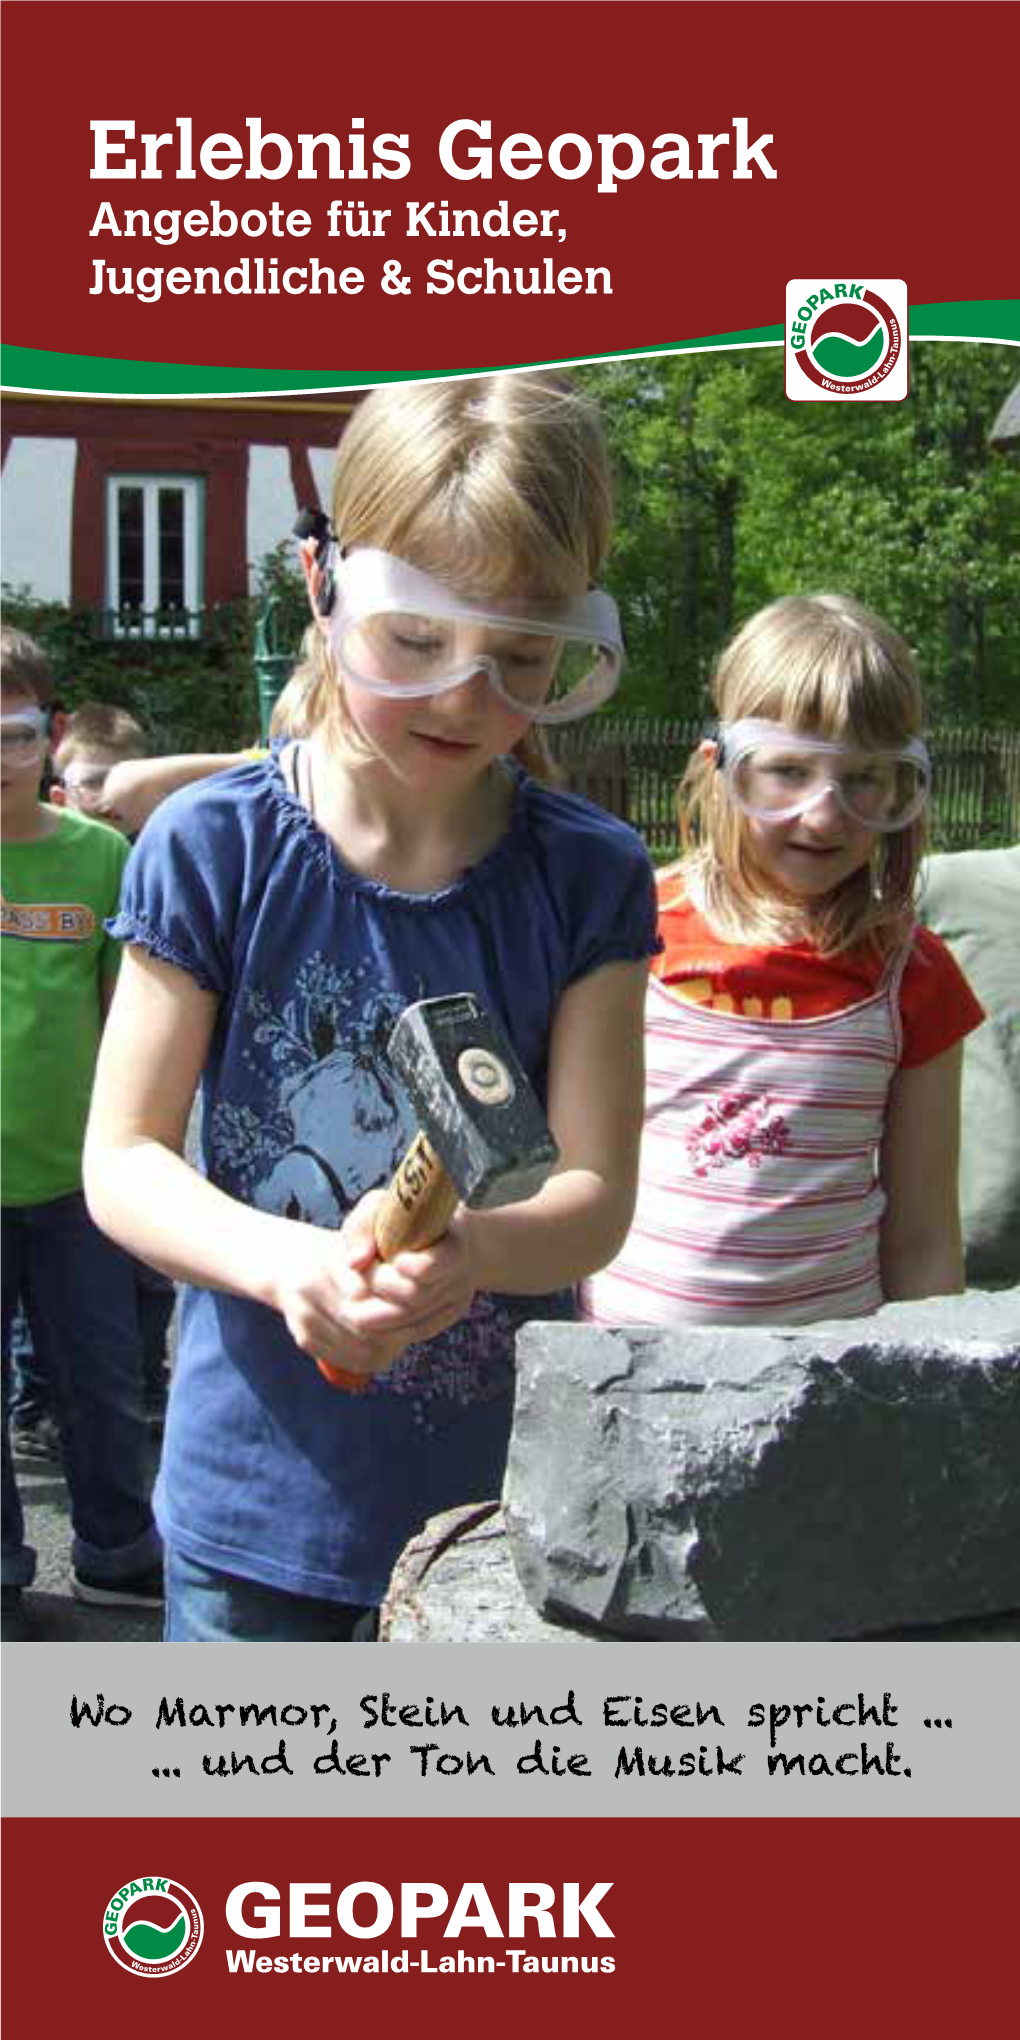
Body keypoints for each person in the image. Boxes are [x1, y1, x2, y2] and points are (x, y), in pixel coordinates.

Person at [83, 373, 659, 1644]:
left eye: (522, 656)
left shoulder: (590, 876)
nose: (467, 695)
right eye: (419, 642)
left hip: (497, 1516)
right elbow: (122, 1159)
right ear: (324, 586)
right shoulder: (209, 848)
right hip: (253, 1512)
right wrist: (294, 1266)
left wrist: (475, 1259)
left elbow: (596, 1199)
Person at [582, 593, 985, 1330]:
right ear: (721, 771)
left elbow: (925, 1240)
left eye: (864, 778)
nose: (825, 814)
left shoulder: (913, 978)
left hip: (825, 1395)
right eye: (789, 771)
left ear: (903, 787)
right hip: (621, 1374)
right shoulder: (624, 934)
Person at [0, 627, 161, 1641]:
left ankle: (115, 1553)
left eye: (14, 735)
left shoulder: (101, 858)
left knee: (103, 1379)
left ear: (50, 738)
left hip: (75, 1185)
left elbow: (123, 1023)